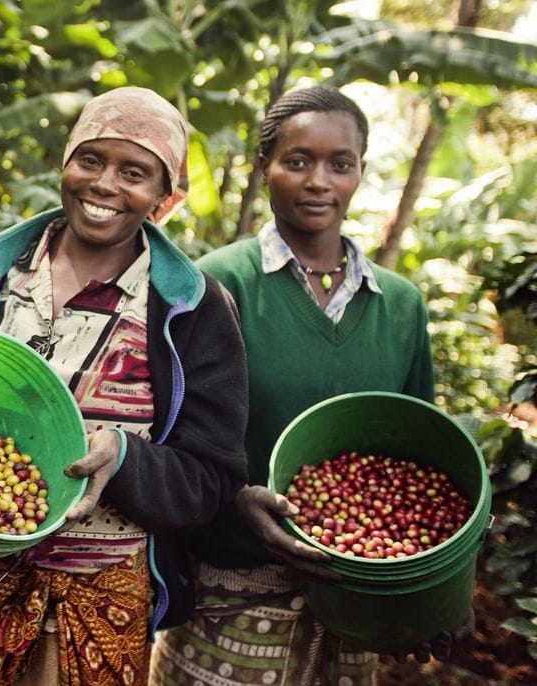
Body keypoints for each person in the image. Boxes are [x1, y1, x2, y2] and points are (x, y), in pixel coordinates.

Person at [0, 87, 249, 685]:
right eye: (90, 160)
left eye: (134, 173)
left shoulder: (193, 307)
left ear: (164, 198)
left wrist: (124, 458)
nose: (104, 184)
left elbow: (213, 478)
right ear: (65, 162)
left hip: (92, 594)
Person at [149, 85, 442, 685]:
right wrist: (235, 502)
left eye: (341, 164)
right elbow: (169, 439)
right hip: (231, 591)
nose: (318, 182)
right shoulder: (217, 284)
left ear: (360, 172)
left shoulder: (401, 306)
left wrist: (429, 592)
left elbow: (423, 458)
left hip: (358, 597)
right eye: (298, 161)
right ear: (265, 168)